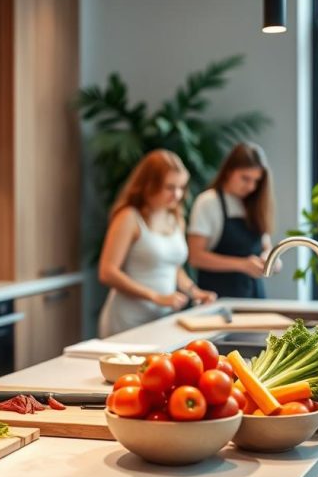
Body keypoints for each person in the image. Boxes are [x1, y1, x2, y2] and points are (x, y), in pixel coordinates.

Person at [98, 150, 217, 338]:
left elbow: (174, 267)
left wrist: (194, 292)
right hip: (128, 319)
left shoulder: (176, 217)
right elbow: (107, 272)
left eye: (181, 187)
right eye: (169, 187)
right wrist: (156, 297)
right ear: (148, 185)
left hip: (162, 318)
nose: (177, 195)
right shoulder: (129, 218)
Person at [187, 142, 278, 299]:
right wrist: (242, 265)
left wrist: (271, 261)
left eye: (256, 181)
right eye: (245, 178)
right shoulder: (208, 202)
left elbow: (266, 246)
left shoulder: (255, 203)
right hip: (219, 298)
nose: (251, 187)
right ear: (229, 171)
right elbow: (195, 257)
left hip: (256, 297)